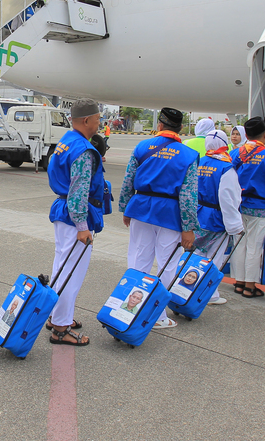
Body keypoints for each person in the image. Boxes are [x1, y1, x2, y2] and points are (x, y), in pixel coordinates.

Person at [119, 107, 199, 328]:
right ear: (180, 128)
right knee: (168, 265)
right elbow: (189, 195)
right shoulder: (188, 155)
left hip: (141, 208)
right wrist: (189, 226)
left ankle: (130, 310)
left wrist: (126, 207)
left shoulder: (142, 147)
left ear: (160, 126)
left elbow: (128, 180)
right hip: (170, 214)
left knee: (138, 260)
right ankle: (157, 315)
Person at [47, 98, 106, 345]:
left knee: (61, 266)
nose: (99, 122)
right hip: (74, 217)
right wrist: (82, 226)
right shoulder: (83, 149)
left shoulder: (66, 141)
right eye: (97, 118)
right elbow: (79, 190)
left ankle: (55, 315)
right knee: (71, 272)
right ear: (86, 120)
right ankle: (61, 328)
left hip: (63, 212)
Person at [230, 117, 265, 298]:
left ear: (246, 135)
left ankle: (238, 282)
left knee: (239, 245)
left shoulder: (235, 154)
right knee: (255, 248)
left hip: (238, 207)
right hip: (261, 209)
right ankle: (249, 286)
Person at [194, 130, 243, 306]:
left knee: (198, 254)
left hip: (199, 213)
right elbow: (229, 199)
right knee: (215, 256)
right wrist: (235, 225)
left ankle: (189, 287)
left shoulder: (200, 161)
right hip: (216, 217)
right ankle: (210, 294)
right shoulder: (225, 167)